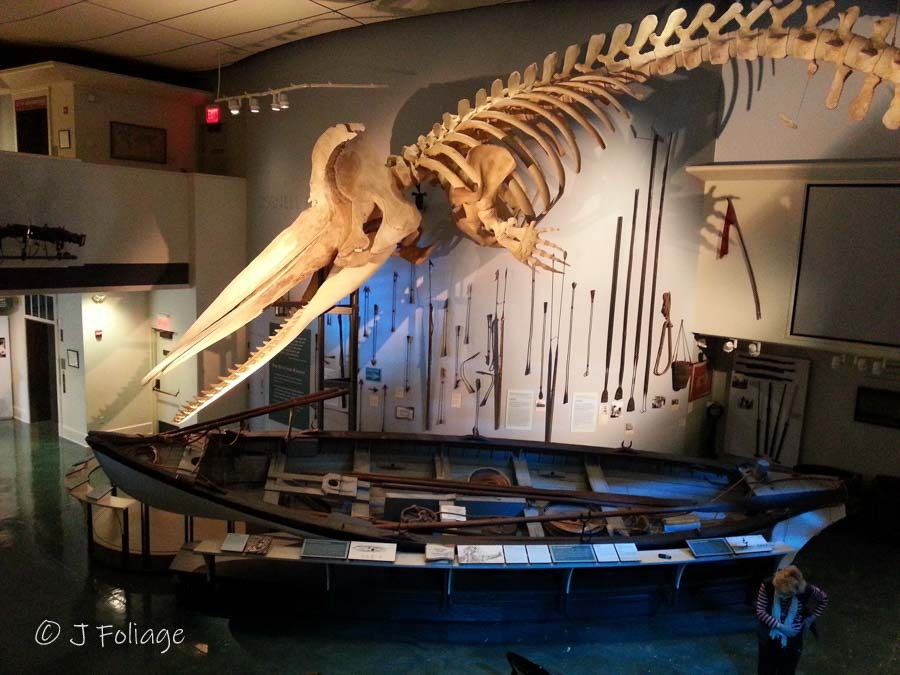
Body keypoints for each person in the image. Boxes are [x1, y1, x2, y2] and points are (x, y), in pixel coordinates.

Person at [756, 565, 828, 675]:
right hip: (769, 634)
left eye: (783, 594)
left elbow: (823, 599)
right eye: (778, 591)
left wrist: (811, 618)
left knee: (788, 669)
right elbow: (760, 611)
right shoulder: (767, 585)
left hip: (793, 638)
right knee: (766, 668)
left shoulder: (806, 589)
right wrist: (782, 628)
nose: (778, 594)